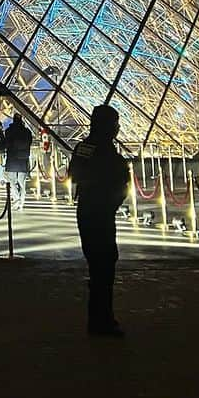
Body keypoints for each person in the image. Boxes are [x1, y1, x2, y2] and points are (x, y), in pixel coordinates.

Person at [69, 104, 129, 338]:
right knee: (104, 266)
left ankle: (97, 319)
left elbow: (74, 173)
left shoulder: (83, 147)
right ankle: (102, 321)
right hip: (102, 213)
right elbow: (118, 182)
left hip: (86, 209)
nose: (118, 128)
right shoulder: (107, 152)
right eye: (115, 123)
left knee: (96, 267)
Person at [2, 112, 32, 209]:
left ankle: (16, 198)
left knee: (11, 180)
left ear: (13, 120)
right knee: (22, 182)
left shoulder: (9, 131)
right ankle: (22, 202)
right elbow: (29, 143)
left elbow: (6, 144)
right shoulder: (27, 131)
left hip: (12, 159)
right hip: (23, 160)